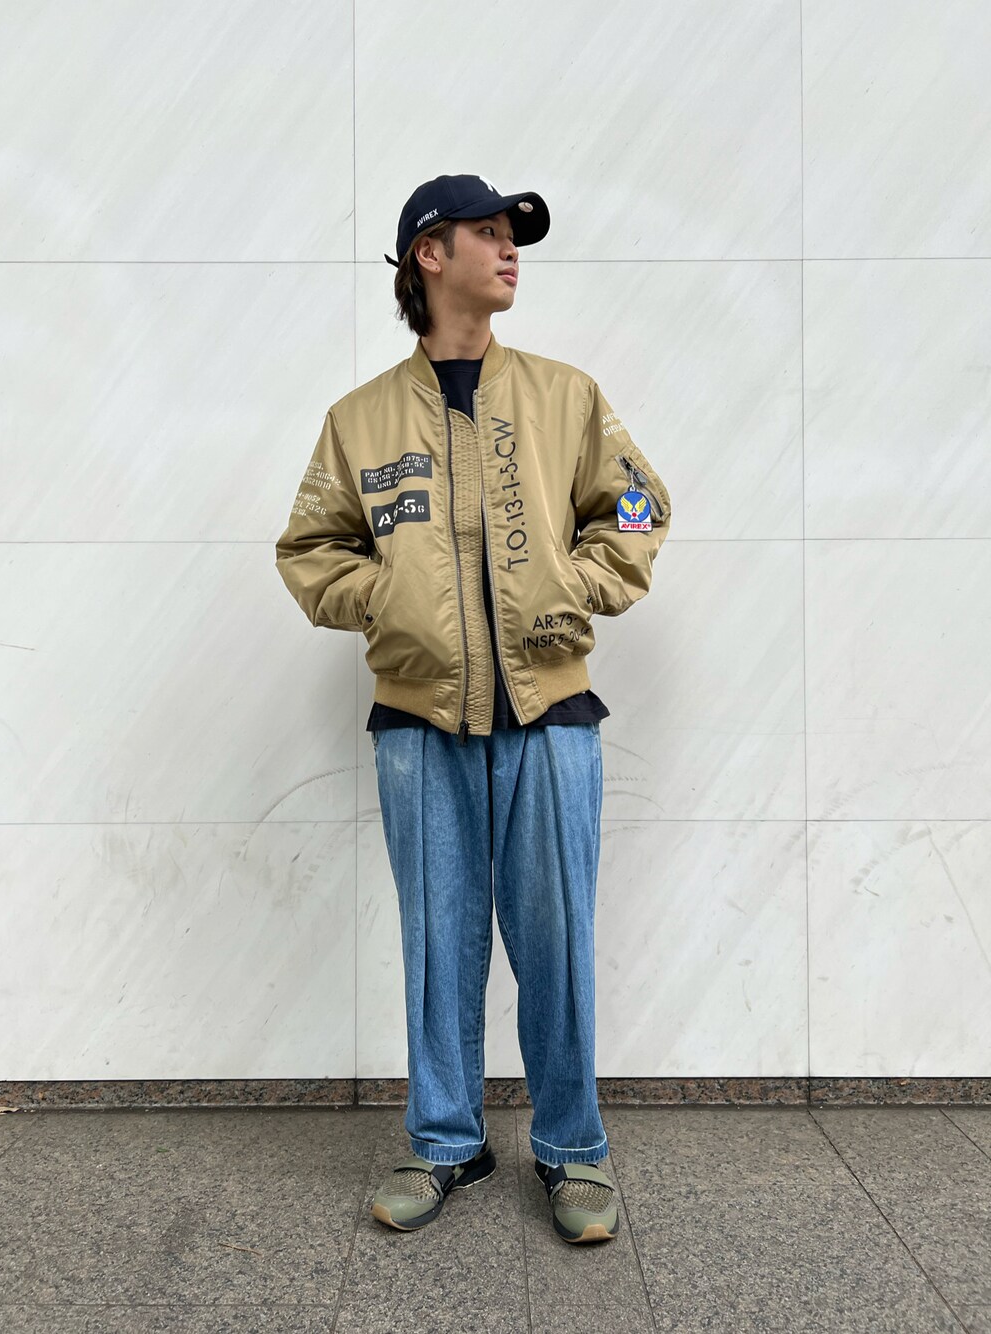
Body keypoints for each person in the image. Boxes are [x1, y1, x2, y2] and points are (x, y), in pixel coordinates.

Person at [274, 174, 671, 1244]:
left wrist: (571, 584)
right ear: (427, 254)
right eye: (487, 233)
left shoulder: (564, 397)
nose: (509, 251)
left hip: (551, 713)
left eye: (513, 236)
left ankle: (573, 1149)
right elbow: (309, 550)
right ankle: (444, 1140)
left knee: (557, 944)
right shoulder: (359, 420)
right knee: (437, 944)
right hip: (418, 723)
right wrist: (387, 600)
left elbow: (638, 509)